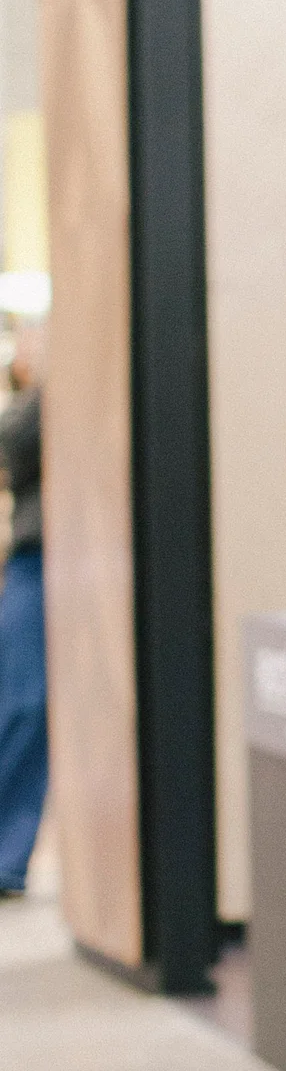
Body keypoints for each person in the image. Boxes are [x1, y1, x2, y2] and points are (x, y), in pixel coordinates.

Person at [0, 319, 46, 896]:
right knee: (23, 703)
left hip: (89, 562)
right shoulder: (27, 411)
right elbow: (15, 443)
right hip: (36, 562)